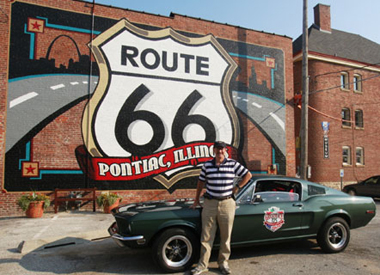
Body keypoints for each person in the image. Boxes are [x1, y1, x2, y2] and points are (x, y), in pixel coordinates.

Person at [190, 141, 252, 275]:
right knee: (206, 236)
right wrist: (196, 200)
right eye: (217, 150)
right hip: (210, 203)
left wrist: (237, 188)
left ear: (226, 151)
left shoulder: (233, 164)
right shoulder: (207, 165)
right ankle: (202, 265)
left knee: (226, 236)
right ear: (213, 151)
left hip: (227, 203)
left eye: (222, 150)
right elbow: (200, 182)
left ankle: (223, 263)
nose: (220, 152)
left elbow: (248, 175)